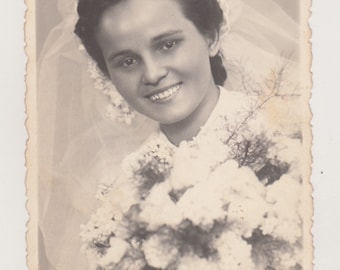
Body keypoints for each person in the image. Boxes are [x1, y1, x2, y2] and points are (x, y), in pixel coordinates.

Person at [36, 0, 310, 269]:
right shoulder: (122, 191)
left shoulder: (285, 136)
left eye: (167, 45)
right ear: (108, 75)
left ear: (211, 37)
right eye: (128, 61)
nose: (153, 74)